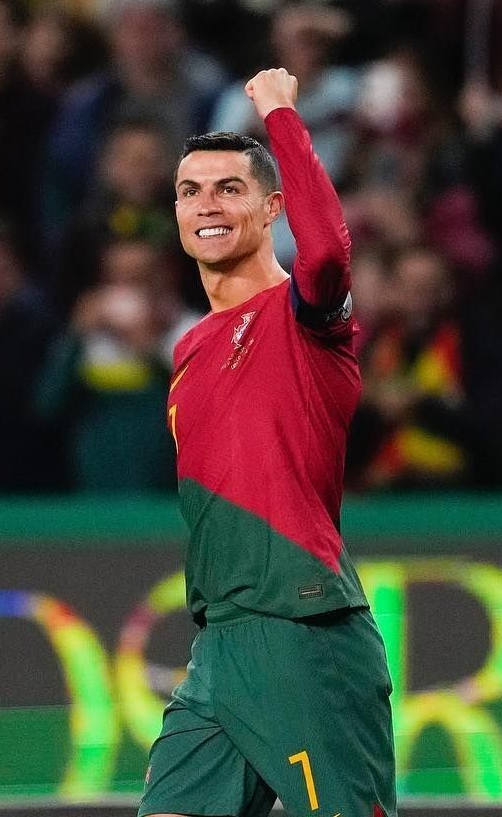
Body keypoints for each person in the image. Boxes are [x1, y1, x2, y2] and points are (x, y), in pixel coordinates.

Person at [139, 69, 395, 817]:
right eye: (190, 191)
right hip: (219, 643)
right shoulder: (189, 349)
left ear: (272, 207)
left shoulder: (305, 317)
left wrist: (281, 115)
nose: (207, 205)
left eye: (229, 189)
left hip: (302, 632)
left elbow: (328, 255)